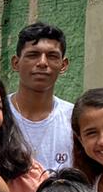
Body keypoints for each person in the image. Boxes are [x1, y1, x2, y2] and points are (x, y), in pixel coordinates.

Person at [8, 22, 73, 171]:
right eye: (33, 55)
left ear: (63, 65)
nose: (42, 63)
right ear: (16, 63)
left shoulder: (74, 118)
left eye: (52, 56)